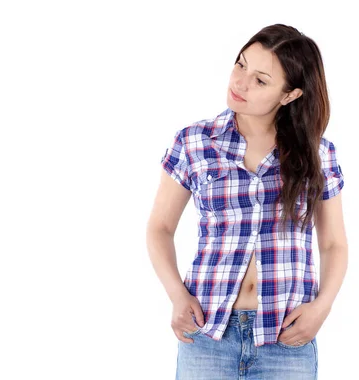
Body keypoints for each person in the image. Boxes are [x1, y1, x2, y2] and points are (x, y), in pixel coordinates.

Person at [146, 24, 348, 379]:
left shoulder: (317, 154)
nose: (239, 82)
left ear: (290, 94)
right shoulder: (195, 142)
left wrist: (322, 307)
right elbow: (160, 228)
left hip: (286, 340)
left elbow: (333, 243)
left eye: (260, 80)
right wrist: (177, 295)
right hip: (207, 335)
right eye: (240, 65)